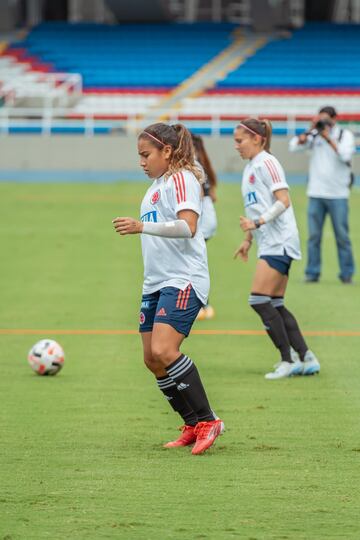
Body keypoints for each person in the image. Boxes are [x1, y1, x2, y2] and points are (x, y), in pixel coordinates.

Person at [113, 122, 223, 454]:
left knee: (164, 350)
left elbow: (189, 227)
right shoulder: (158, 184)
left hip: (184, 278)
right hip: (157, 281)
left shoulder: (183, 178)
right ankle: (191, 423)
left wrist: (141, 226)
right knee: (151, 358)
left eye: (146, 155)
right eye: (139, 156)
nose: (142, 161)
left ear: (167, 151)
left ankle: (208, 420)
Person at [233, 118, 320, 380]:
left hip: (279, 240)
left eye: (240, 140)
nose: (236, 146)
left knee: (258, 299)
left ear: (258, 139)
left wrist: (257, 223)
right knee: (275, 303)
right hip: (269, 241)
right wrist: (249, 238)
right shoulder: (251, 166)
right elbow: (256, 207)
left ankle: (287, 359)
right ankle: (306, 357)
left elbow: (284, 201)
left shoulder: (267, 163)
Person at [289, 106, 356, 284]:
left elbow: (345, 155)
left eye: (326, 119)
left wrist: (328, 138)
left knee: (342, 236)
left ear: (334, 119)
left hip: (338, 194)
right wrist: (311, 130)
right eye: (321, 119)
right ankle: (312, 272)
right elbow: (293, 147)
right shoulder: (314, 135)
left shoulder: (344, 135)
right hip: (316, 192)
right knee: (313, 236)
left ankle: (347, 273)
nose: (324, 123)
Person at [191, 133, 218, 320]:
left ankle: (201, 303)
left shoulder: (193, 164)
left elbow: (198, 196)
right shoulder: (200, 162)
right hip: (207, 218)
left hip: (202, 220)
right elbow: (211, 195)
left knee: (193, 262)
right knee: (195, 260)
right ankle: (202, 303)